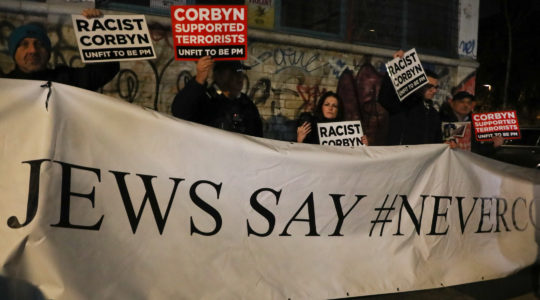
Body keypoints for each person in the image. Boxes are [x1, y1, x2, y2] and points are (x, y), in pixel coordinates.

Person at [3, 8, 119, 91]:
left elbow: (104, 70)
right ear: (13, 52)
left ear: (48, 53)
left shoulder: (66, 81)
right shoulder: (4, 86)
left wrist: (97, 29)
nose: (33, 50)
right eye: (24, 44)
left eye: (40, 44)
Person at [171, 56, 263, 138]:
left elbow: (258, 138)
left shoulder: (246, 104)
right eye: (234, 71)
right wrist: (199, 80)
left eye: (241, 72)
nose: (240, 77)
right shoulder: (205, 99)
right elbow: (180, 113)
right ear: (219, 75)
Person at [378, 50, 442, 145]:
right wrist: (395, 65)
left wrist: (449, 144)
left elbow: (438, 142)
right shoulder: (403, 105)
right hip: (400, 157)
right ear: (418, 84)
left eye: (436, 87)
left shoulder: (434, 113)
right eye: (429, 86)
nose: (434, 91)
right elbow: (384, 99)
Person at [296, 91, 368, 145]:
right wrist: (299, 140)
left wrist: (363, 145)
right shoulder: (310, 126)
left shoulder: (346, 129)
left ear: (338, 110)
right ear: (321, 107)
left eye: (334, 106)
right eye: (327, 105)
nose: (330, 108)